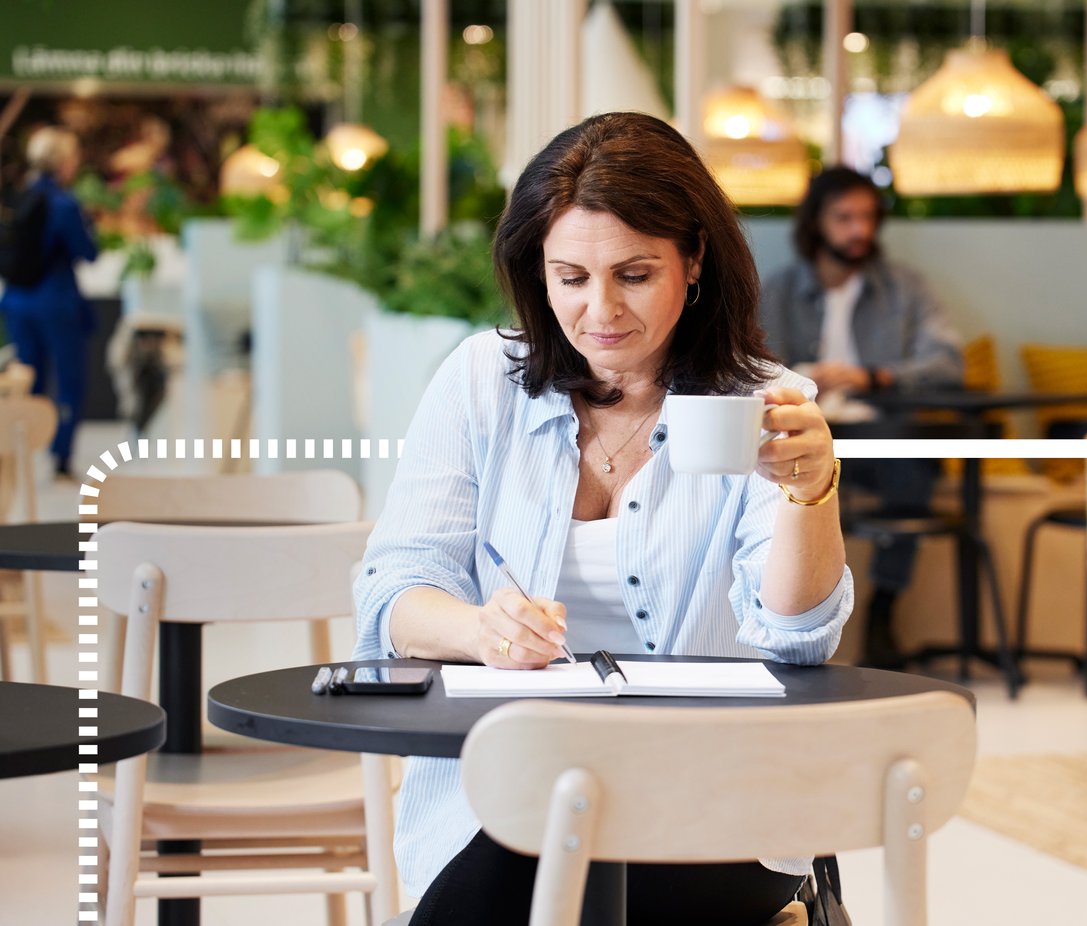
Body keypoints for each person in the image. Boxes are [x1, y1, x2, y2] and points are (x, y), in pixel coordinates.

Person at [352, 111, 853, 925]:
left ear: (693, 261)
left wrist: (810, 492)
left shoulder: (764, 400)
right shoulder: (483, 382)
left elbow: (795, 640)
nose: (599, 311)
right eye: (571, 278)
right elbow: (397, 590)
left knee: (551, 866)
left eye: (634, 273)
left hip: (713, 801)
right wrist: (483, 631)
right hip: (504, 790)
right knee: (526, 850)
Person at [759, 167, 962, 667]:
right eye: (844, 217)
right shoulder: (780, 291)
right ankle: (782, 620)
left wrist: (872, 377)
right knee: (764, 472)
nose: (859, 231)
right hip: (804, 430)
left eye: (867, 218)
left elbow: (948, 362)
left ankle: (883, 609)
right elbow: (747, 364)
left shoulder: (905, 289)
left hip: (877, 432)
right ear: (816, 223)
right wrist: (802, 379)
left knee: (911, 460)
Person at [0, 126, 99, 478]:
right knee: (69, 380)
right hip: (56, 301)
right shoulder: (64, 204)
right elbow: (87, 252)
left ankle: (16, 454)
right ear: (64, 162)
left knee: (27, 380)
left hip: (16, 300)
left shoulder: (18, 197)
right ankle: (60, 458)